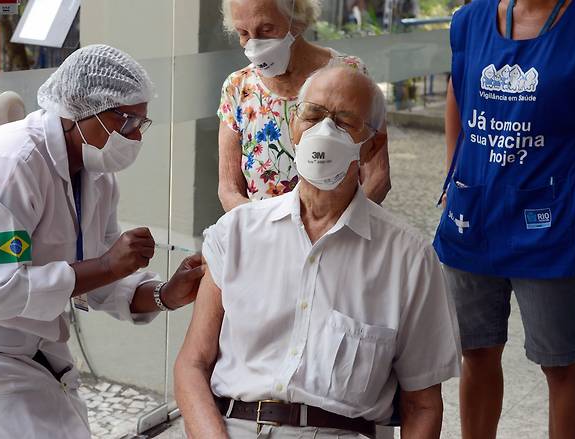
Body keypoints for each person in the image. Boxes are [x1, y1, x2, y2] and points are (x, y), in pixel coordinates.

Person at [0, 44, 204, 439]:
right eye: (126, 121)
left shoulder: (96, 174)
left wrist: (166, 294)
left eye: (141, 124)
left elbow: (100, 277)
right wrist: (109, 264)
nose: (134, 136)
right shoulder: (8, 168)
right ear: (81, 110)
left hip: (29, 345)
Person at [175, 66, 460, 439]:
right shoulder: (237, 232)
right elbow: (191, 365)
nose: (324, 132)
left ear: (371, 145)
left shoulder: (408, 258)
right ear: (294, 126)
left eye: (344, 122)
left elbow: (422, 404)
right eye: (313, 115)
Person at [434, 1, 575, 438]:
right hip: (473, 217)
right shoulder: (470, 20)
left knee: (560, 365)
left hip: (552, 225)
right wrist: (453, 176)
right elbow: (457, 94)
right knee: (476, 353)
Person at [217, 0, 391, 212]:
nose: (254, 43)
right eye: (243, 32)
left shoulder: (350, 74)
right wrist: (262, 233)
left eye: (267, 29)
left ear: (297, 20)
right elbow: (229, 190)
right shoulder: (237, 87)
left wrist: (333, 232)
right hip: (262, 238)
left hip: (339, 237)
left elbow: (378, 176)